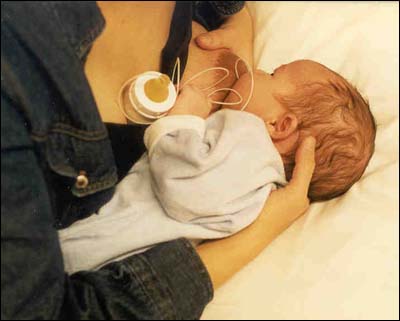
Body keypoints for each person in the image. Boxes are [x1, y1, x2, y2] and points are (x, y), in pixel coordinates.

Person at [1, 2, 315, 319]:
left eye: (271, 74)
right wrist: (254, 237)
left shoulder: (254, 154)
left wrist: (236, 16)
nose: (260, 71)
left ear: (282, 125)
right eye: (272, 70)